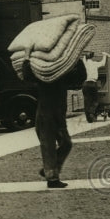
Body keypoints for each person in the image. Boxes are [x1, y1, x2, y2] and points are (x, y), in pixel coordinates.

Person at [25, 57, 86, 189]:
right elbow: (27, 76)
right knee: (49, 147)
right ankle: (52, 179)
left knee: (67, 143)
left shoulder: (62, 76)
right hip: (45, 115)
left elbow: (80, 79)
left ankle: (49, 170)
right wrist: (26, 59)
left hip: (59, 115)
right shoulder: (42, 76)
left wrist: (78, 60)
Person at [81, 51, 107, 122]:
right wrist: (104, 55)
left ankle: (89, 119)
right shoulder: (95, 64)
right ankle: (91, 112)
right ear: (92, 57)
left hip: (86, 84)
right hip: (93, 83)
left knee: (87, 101)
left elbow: (84, 58)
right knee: (95, 100)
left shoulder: (85, 63)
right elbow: (103, 63)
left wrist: (85, 55)